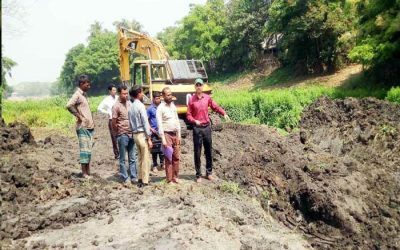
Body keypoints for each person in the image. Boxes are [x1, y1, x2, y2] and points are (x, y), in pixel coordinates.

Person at [187, 78, 230, 183]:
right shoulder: (191, 100)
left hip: (207, 128)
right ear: (195, 87)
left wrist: (223, 113)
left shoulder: (207, 98)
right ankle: (198, 175)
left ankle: (209, 173)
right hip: (197, 128)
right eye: (197, 85)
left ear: (203, 86)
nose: (199, 87)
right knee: (197, 152)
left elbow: (215, 107)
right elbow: (188, 115)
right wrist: (194, 120)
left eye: (200, 85)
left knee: (209, 151)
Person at [66, 74, 95, 179]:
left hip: (89, 127)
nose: (89, 86)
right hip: (83, 127)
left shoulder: (84, 95)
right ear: (82, 84)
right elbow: (69, 105)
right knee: (84, 150)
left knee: (88, 150)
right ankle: (84, 173)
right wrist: (79, 116)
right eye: (87, 84)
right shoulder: (77, 95)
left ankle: (87, 171)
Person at [128, 86, 153, 188]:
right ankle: (145, 180)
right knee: (145, 158)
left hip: (135, 135)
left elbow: (130, 123)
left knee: (139, 158)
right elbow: (145, 122)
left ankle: (139, 178)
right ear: (138, 93)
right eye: (142, 92)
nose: (143, 94)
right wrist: (149, 138)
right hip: (142, 134)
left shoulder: (131, 107)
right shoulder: (141, 106)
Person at [112, 86, 137, 184]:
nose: (126, 95)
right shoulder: (116, 106)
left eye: (127, 93)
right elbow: (113, 122)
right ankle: (125, 177)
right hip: (122, 134)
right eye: (124, 94)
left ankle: (134, 176)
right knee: (122, 158)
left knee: (132, 157)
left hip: (131, 133)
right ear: (119, 93)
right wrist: (117, 133)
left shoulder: (129, 103)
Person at [156, 87, 181, 184]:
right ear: (163, 96)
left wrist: (178, 135)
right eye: (168, 95)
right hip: (166, 134)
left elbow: (177, 121)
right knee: (168, 158)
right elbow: (159, 124)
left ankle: (176, 177)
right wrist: (163, 139)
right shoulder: (160, 108)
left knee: (176, 157)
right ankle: (169, 179)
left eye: (171, 94)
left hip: (175, 134)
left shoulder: (173, 106)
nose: (170, 96)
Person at [97, 84, 119, 159]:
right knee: (114, 137)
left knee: (121, 136)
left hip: (119, 120)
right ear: (109, 91)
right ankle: (116, 154)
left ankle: (122, 152)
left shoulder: (118, 98)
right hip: (111, 120)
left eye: (115, 90)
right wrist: (108, 112)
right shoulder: (106, 99)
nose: (115, 92)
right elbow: (99, 108)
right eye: (113, 90)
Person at [147, 92, 164, 173]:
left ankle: (162, 164)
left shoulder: (162, 107)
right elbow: (146, 120)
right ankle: (154, 165)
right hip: (154, 132)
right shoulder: (150, 109)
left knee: (162, 149)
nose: (158, 100)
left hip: (161, 131)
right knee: (154, 150)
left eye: (159, 98)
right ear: (153, 99)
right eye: (157, 98)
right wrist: (150, 128)